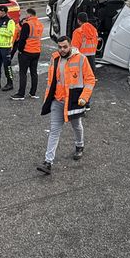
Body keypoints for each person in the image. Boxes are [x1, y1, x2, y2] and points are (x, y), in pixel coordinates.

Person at [37, 35, 96, 175]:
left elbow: (90, 79)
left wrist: (84, 98)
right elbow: (52, 81)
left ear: (70, 46)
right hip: (57, 101)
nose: (62, 49)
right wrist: (48, 99)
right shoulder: (55, 58)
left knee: (76, 125)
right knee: (54, 131)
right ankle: (48, 162)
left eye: (65, 47)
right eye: (59, 47)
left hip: (73, 101)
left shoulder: (81, 59)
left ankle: (79, 146)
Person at [10, 8, 43, 100]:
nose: (25, 16)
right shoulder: (40, 24)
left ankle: (21, 94)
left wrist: (20, 50)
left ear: (29, 15)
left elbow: (22, 39)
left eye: (26, 14)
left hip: (26, 52)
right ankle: (33, 93)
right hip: (37, 51)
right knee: (34, 72)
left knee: (23, 73)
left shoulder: (27, 24)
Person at [0, 5, 16, 91]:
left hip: (6, 47)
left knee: (7, 66)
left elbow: (10, 33)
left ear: (4, 12)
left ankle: (10, 83)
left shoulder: (10, 21)